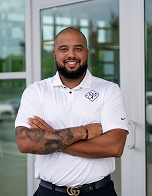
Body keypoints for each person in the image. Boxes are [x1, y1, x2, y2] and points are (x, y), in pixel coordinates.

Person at [15, 27, 128, 196]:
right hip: (49, 192)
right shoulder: (36, 91)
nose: (71, 55)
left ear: (87, 52)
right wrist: (83, 131)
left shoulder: (109, 90)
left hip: (98, 191)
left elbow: (115, 147)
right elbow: (25, 142)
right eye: (63, 49)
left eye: (78, 48)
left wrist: (49, 135)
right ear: (54, 54)